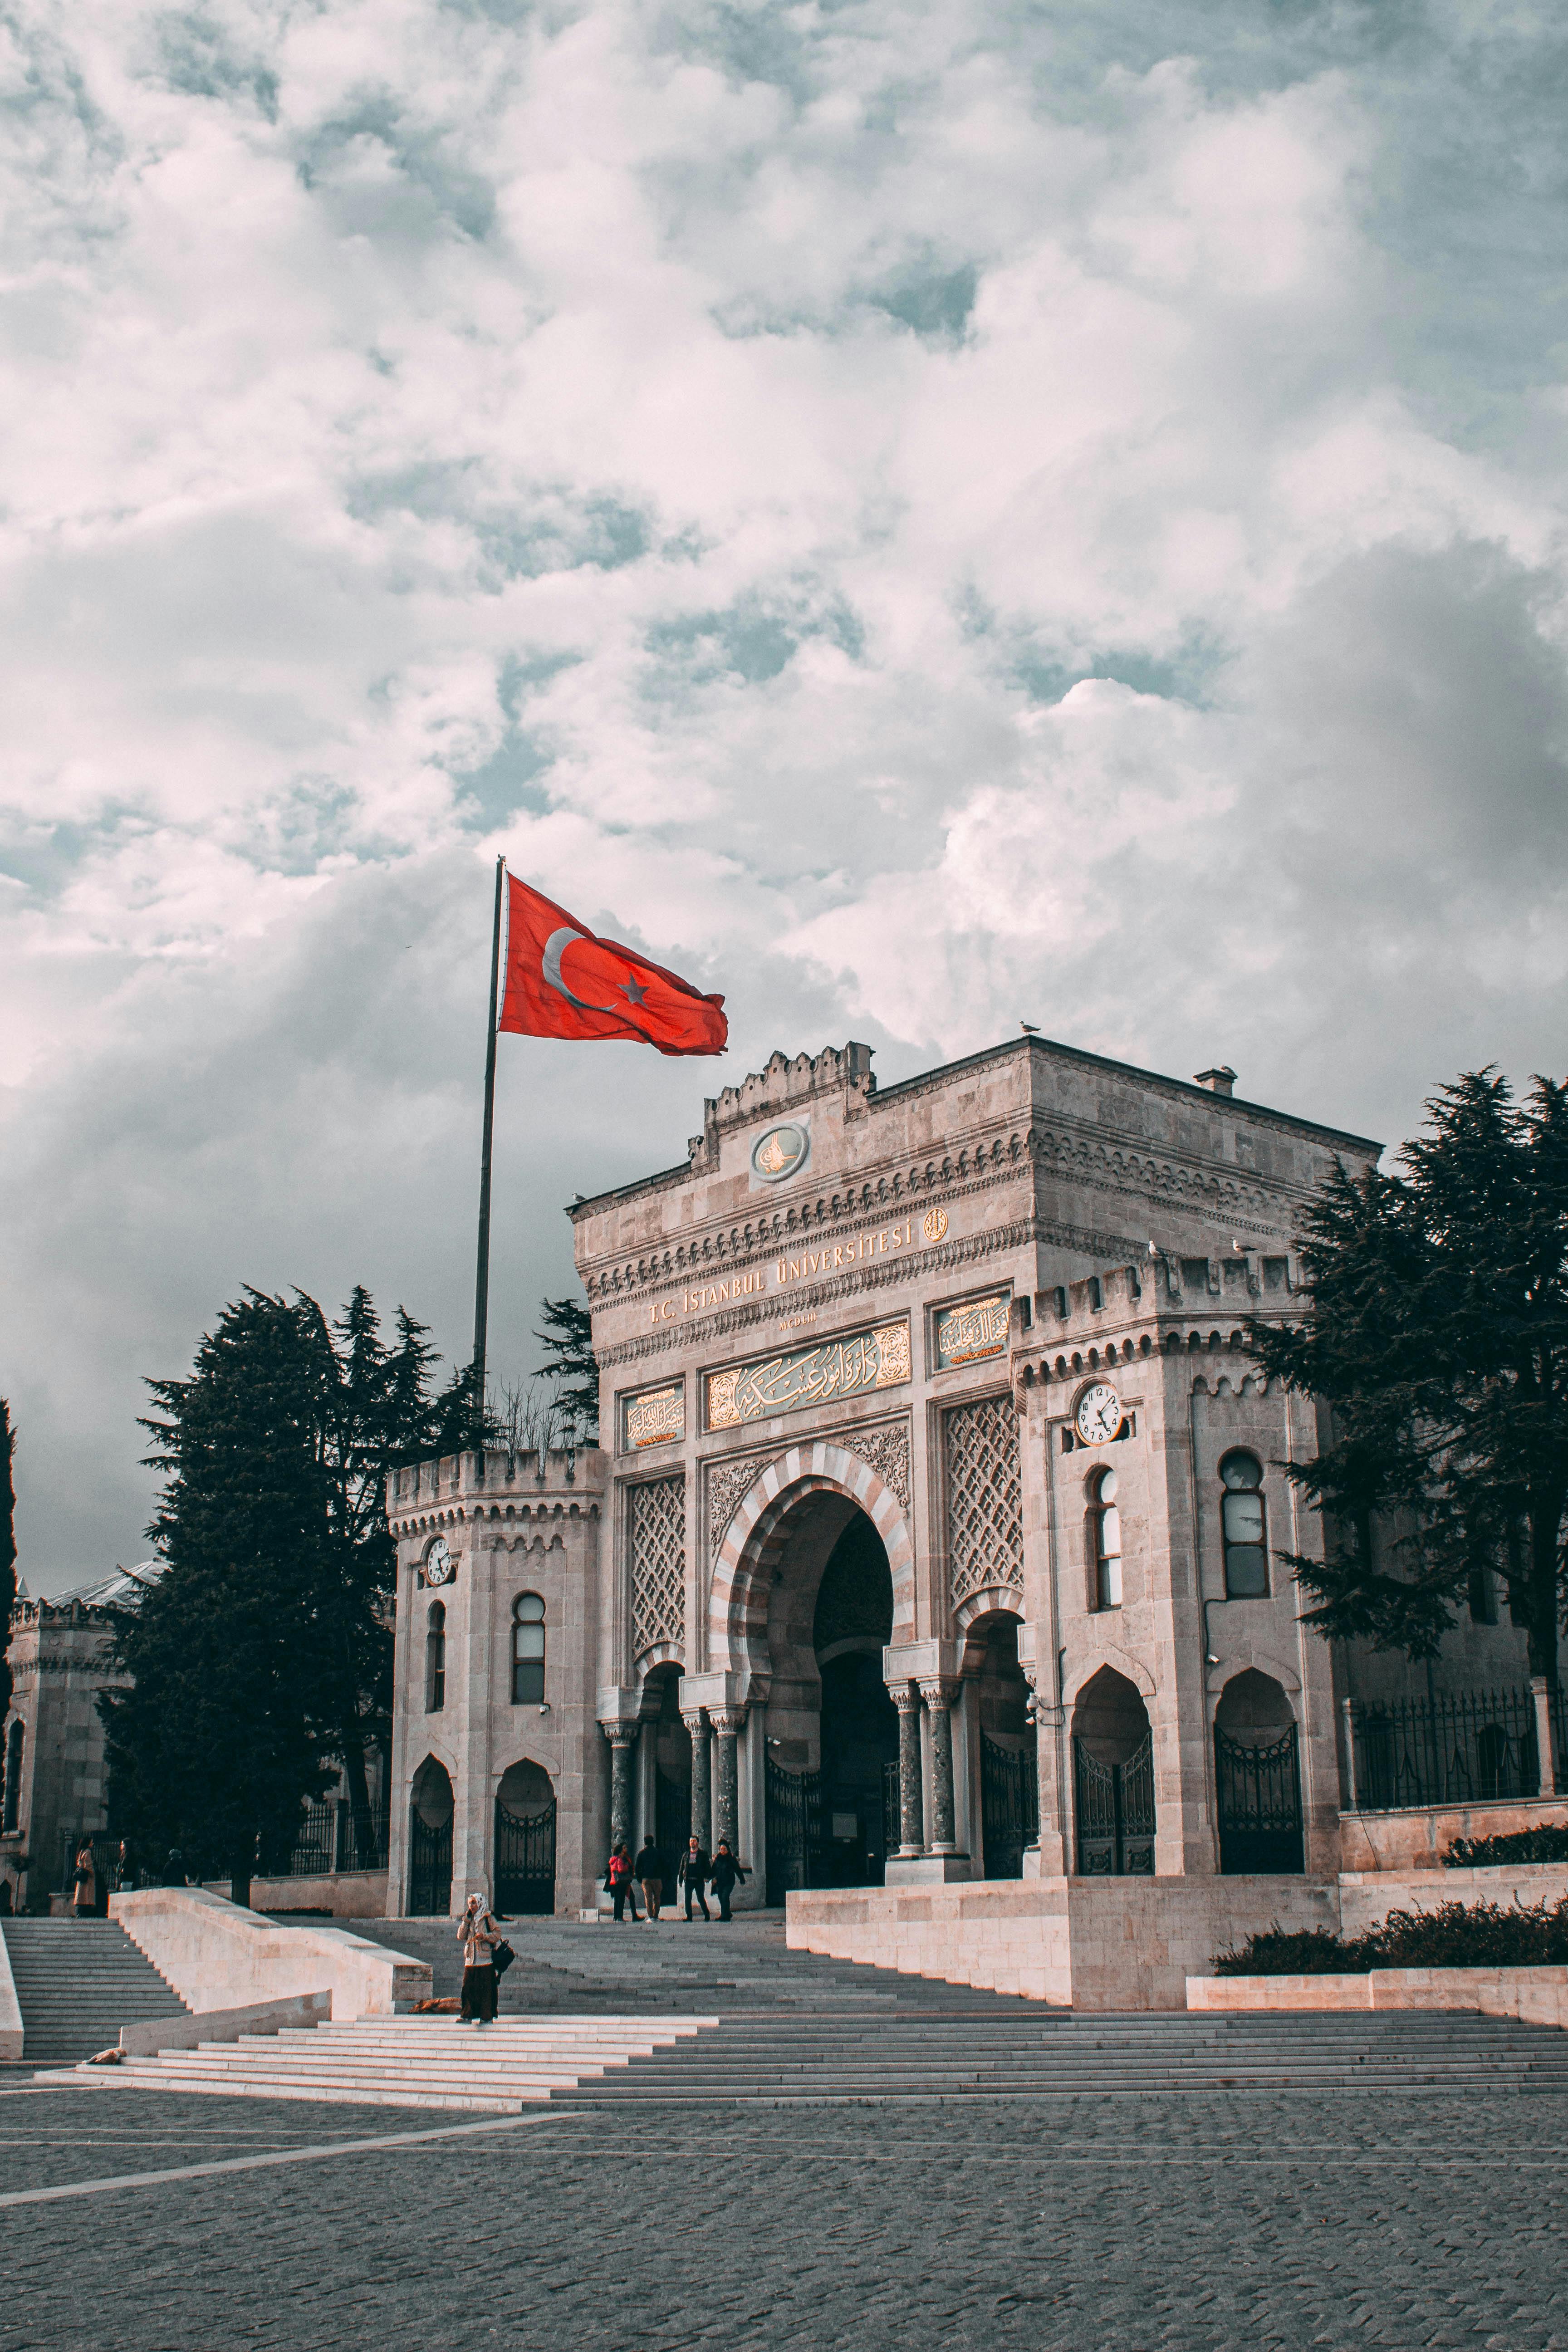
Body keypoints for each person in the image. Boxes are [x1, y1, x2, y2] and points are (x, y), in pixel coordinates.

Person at [456, 1890, 500, 2024]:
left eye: (474, 1903)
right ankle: (466, 2015)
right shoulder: (469, 1919)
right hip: (471, 1959)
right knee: (468, 1988)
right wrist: (466, 1920)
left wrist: (485, 1937)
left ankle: (486, 2017)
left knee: (486, 1989)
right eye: (470, 1903)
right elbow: (461, 1936)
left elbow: (497, 1934)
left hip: (485, 1959)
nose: (472, 1906)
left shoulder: (488, 1918)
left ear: (480, 1903)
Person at [708, 1839, 748, 1921]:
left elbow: (738, 1869)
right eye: (721, 1849)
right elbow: (714, 1869)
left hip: (729, 1881)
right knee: (720, 1897)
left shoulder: (731, 1858)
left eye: (724, 1849)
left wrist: (742, 1879)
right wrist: (709, 1878)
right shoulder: (718, 1858)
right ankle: (727, 1913)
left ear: (728, 1850)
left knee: (725, 1896)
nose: (723, 1851)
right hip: (719, 1882)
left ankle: (724, 1916)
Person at [676, 1835, 710, 1922]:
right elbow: (682, 1868)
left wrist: (707, 1877)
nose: (692, 1843)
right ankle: (689, 1917)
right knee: (688, 1898)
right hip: (688, 1879)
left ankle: (707, 1914)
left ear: (698, 1843)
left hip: (699, 1879)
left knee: (701, 1898)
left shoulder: (703, 1854)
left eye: (694, 1841)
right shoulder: (686, 1855)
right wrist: (680, 1880)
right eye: (691, 1841)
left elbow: (707, 1866)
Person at [633, 1835, 665, 1923]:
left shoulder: (642, 1853)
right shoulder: (658, 1852)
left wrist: (640, 1879)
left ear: (645, 1842)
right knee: (657, 1898)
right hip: (657, 1878)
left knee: (648, 1898)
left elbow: (637, 1867)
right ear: (653, 1842)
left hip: (646, 1879)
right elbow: (663, 1865)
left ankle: (650, 1916)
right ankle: (656, 1916)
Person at [606, 1841, 640, 1922]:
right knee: (621, 1899)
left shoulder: (613, 1859)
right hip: (622, 1882)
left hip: (615, 1882)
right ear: (620, 1851)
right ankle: (620, 1917)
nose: (626, 1850)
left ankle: (617, 1917)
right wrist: (627, 1866)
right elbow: (621, 1869)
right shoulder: (620, 1859)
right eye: (624, 1848)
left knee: (618, 1900)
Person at [70, 1842, 96, 1921]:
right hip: (87, 1877)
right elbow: (88, 1864)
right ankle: (85, 1914)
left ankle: (79, 1913)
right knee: (87, 1897)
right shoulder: (88, 1851)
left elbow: (80, 1863)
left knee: (80, 1897)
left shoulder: (81, 1851)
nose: (92, 1844)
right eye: (91, 1842)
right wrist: (93, 1873)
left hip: (81, 1876)